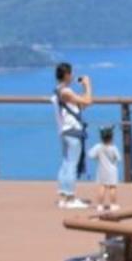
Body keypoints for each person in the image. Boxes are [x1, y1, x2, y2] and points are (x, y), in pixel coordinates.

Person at [51, 60, 93, 210]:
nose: (73, 75)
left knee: (66, 163)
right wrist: (87, 85)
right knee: (72, 165)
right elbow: (88, 101)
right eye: (71, 72)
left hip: (64, 131)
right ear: (67, 75)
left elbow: (79, 105)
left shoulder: (58, 91)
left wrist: (80, 94)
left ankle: (63, 197)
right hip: (72, 132)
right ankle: (70, 197)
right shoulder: (66, 92)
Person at [90, 125, 122, 215]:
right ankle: (113, 204)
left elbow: (91, 155)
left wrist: (97, 157)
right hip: (112, 171)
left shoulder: (98, 147)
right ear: (111, 137)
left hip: (101, 170)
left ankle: (100, 205)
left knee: (102, 187)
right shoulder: (114, 148)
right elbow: (119, 158)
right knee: (112, 187)